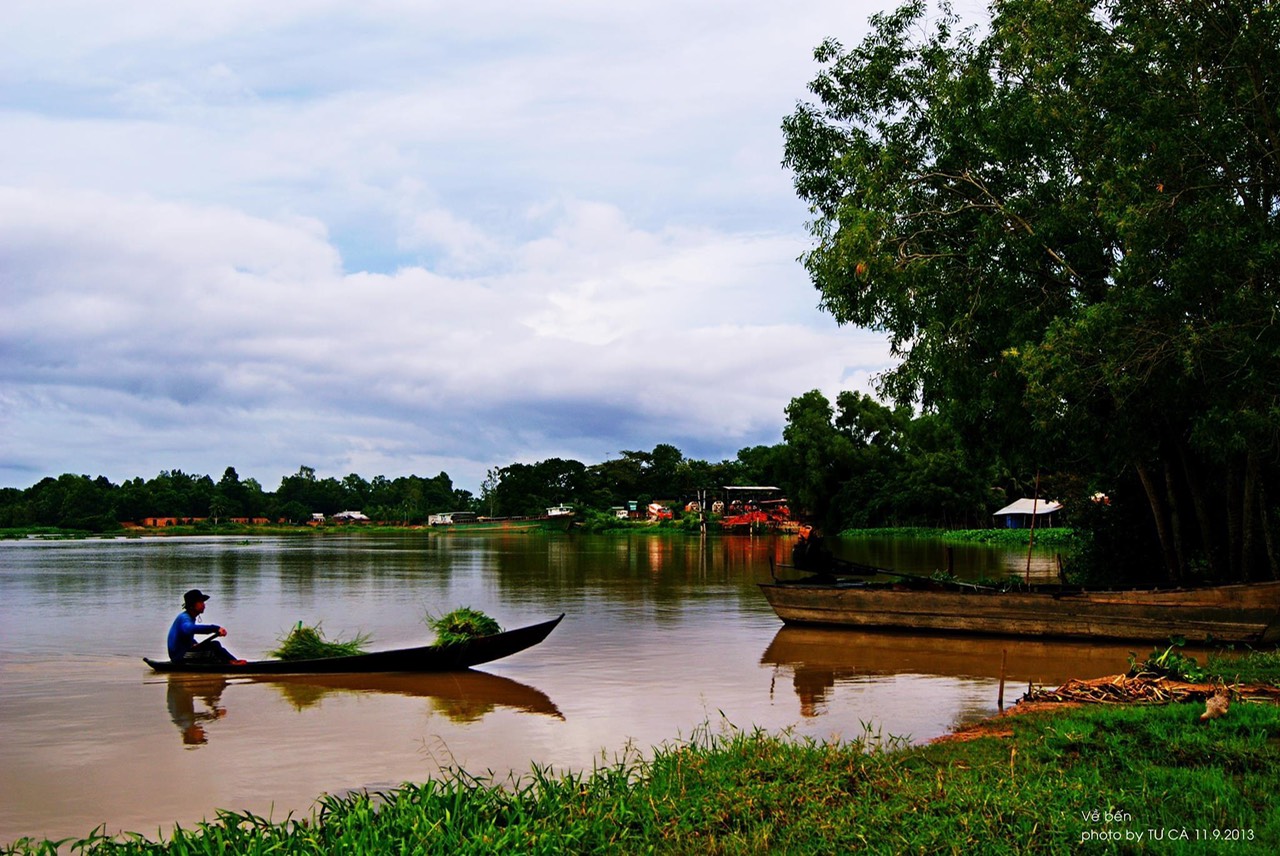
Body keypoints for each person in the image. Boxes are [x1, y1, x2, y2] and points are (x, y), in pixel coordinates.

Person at [167, 589, 245, 665]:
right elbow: (189, 629)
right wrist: (215, 628)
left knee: (214, 648)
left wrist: (194, 643)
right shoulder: (184, 618)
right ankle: (233, 662)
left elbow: (184, 637)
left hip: (183, 653)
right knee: (214, 646)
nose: (204, 604)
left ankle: (231, 661)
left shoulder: (190, 617)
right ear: (192, 605)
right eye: (200, 602)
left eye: (203, 602)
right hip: (179, 657)